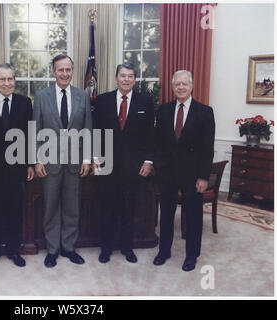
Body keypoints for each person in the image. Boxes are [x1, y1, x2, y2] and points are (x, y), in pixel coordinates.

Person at [33, 54, 92, 268]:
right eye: (60, 70)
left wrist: (87, 158)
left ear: (72, 71)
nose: (65, 73)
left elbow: (87, 128)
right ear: (53, 71)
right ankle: (52, 250)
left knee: (72, 206)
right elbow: (35, 130)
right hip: (49, 162)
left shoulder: (82, 96)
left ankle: (68, 247)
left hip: (75, 161)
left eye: (68, 69)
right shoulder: (41, 96)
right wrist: (37, 159)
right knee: (50, 207)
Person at [92, 63, 155, 264]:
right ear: (116, 78)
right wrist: (94, 158)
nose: (126, 79)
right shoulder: (102, 101)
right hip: (107, 164)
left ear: (135, 79)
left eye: (130, 76)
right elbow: (95, 132)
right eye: (122, 75)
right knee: (107, 209)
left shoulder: (145, 102)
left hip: (133, 166)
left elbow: (150, 135)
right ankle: (106, 249)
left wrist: (148, 160)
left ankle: (128, 248)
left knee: (129, 209)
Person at [153, 70, 215, 272]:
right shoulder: (163, 110)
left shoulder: (205, 112)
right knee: (167, 215)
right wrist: (159, 167)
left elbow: (207, 148)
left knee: (194, 216)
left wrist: (204, 177)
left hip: (193, 175)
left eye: (184, 84)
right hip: (167, 173)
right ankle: (164, 252)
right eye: (177, 84)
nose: (180, 87)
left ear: (192, 86)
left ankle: (191, 256)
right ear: (173, 87)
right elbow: (159, 143)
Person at [0, 63, 34, 270]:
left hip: (16, 169)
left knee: (14, 211)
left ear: (15, 81)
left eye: (10, 79)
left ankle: (13, 250)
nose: (7, 83)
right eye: (2, 79)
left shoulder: (24, 102)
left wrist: (29, 163)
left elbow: (30, 134)